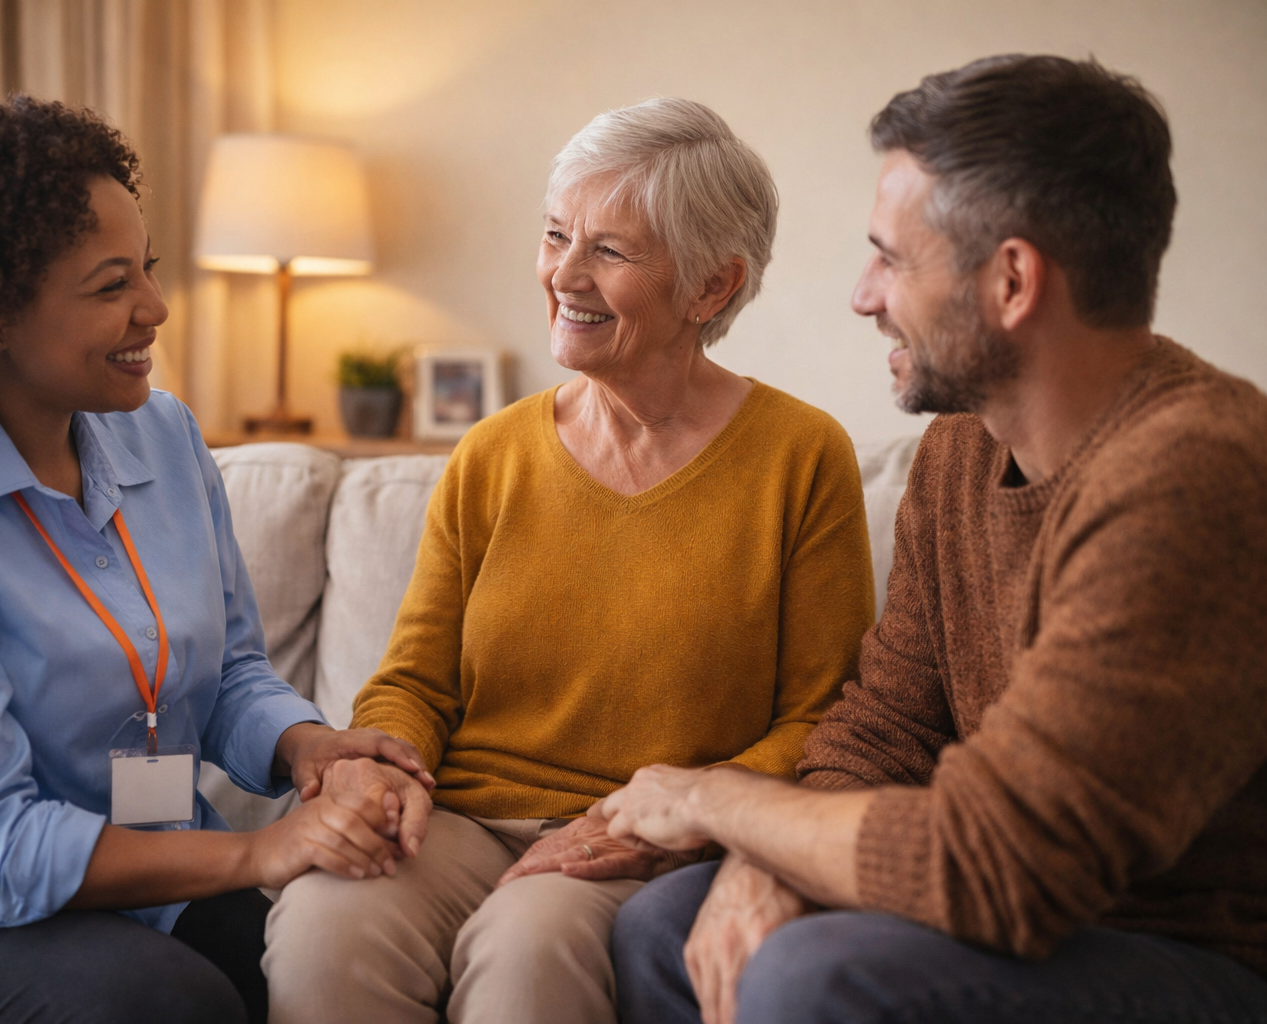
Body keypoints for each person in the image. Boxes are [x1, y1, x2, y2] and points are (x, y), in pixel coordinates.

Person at [604, 54, 1267, 1024]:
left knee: (810, 973)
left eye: (892, 258)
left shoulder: (1194, 474)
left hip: (1191, 950)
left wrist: (719, 803)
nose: (863, 295)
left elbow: (1008, 861)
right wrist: (769, 858)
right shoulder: (961, 449)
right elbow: (889, 725)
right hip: (1004, 901)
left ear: (1012, 281)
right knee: (663, 925)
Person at [0, 96, 433, 1024]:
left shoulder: (162, 434)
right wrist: (260, 852)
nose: (155, 309)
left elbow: (231, 673)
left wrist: (310, 749)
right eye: (112, 284)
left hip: (135, 868)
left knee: (337, 959)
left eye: (147, 268)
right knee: (169, 1005)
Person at [262, 98, 876, 1024]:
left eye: (610, 251)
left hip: (640, 835)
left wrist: (681, 811)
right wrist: (378, 767)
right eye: (556, 235)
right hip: (457, 820)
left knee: (527, 953)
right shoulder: (492, 453)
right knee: (323, 926)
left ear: (712, 288)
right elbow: (414, 682)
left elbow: (821, 717)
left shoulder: (800, 456)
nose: (564, 274)